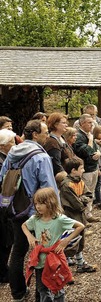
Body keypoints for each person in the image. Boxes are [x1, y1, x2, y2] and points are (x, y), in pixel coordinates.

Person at [0, 119, 57, 301]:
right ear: (35, 134)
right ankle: (41, 296)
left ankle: (18, 292)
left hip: (16, 210)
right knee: (41, 253)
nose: (47, 136)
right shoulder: (41, 157)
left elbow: (2, 178)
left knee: (18, 250)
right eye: (45, 132)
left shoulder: (12, 153)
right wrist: (55, 211)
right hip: (38, 212)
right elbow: (49, 188)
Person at [22, 187, 84, 302]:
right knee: (42, 289)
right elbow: (24, 226)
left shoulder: (59, 219)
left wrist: (66, 241)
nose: (38, 206)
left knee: (58, 288)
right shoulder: (35, 219)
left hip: (54, 261)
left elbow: (80, 226)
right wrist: (29, 236)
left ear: (50, 202)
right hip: (40, 261)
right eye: (36, 203)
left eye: (41, 203)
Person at [59, 156, 96, 273]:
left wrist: (82, 199)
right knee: (70, 242)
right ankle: (63, 269)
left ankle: (80, 264)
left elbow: (89, 195)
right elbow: (77, 204)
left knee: (80, 240)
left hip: (80, 216)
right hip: (71, 216)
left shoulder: (80, 181)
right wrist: (82, 201)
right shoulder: (66, 185)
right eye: (81, 168)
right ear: (73, 170)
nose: (83, 170)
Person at [72, 114, 101, 223]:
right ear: (82, 123)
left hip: (93, 167)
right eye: (89, 122)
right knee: (84, 193)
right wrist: (90, 143)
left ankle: (89, 213)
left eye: (92, 122)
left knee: (91, 192)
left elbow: (95, 149)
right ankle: (83, 216)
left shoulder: (89, 135)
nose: (91, 124)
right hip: (86, 169)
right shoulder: (79, 136)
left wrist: (97, 153)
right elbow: (84, 151)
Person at [0, 129, 16, 284]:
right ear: (3, 145)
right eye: (12, 142)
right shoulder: (2, 161)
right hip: (2, 207)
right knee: (5, 240)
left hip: (5, 205)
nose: (15, 145)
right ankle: (3, 272)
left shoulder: (7, 158)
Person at [43, 113, 71, 182]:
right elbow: (56, 165)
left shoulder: (61, 138)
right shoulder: (52, 142)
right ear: (55, 125)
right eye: (63, 123)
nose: (66, 125)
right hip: (61, 179)